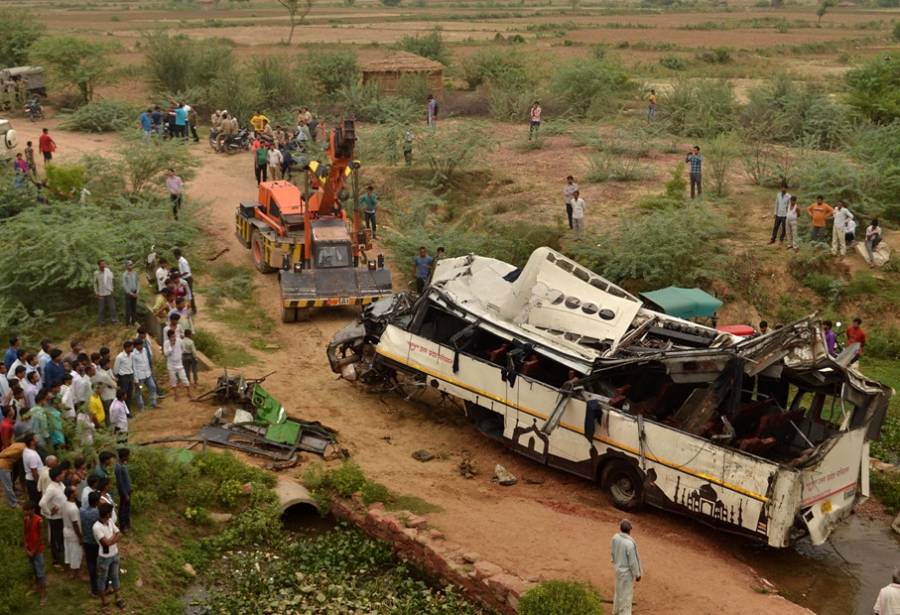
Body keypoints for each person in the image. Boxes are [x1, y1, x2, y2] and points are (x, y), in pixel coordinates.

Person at [94, 502, 124, 610]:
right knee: (102, 579)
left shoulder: (110, 521)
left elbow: (120, 534)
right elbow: (105, 543)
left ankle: (118, 598)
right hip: (104, 558)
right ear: (107, 514)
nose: (112, 514)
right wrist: (114, 537)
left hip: (114, 554)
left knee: (115, 577)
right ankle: (104, 603)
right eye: (111, 512)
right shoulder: (96, 527)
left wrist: (112, 539)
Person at [611, 519, 642, 615]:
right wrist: (637, 574)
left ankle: (615, 611)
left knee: (618, 592)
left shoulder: (615, 538)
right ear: (629, 530)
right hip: (627, 574)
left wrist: (615, 562)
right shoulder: (629, 544)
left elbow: (612, 552)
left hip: (618, 570)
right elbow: (633, 562)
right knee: (627, 596)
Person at [40, 464, 67, 568]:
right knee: (55, 539)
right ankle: (55, 560)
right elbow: (42, 503)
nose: (64, 474)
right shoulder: (51, 488)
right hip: (55, 518)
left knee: (60, 537)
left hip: (62, 516)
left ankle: (62, 555)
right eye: (62, 473)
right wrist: (48, 512)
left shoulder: (60, 484)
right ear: (57, 476)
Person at [23, 499, 48, 606]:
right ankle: (37, 588)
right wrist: (26, 547)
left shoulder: (39, 520)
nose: (25, 512)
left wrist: (33, 551)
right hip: (29, 549)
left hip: (37, 551)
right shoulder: (26, 519)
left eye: (27, 510)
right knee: (34, 570)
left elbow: (41, 538)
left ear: (33, 510)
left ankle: (43, 595)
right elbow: (25, 533)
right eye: (25, 510)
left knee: (40, 573)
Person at [81, 490, 102, 596]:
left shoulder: (82, 511)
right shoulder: (98, 513)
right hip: (97, 542)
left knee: (91, 564)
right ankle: (104, 586)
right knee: (101, 564)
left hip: (86, 541)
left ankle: (94, 589)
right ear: (97, 501)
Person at [62, 486, 83, 579]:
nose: (77, 492)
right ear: (71, 495)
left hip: (66, 530)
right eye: (75, 491)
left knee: (69, 551)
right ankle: (76, 573)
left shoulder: (65, 503)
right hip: (73, 532)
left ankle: (70, 571)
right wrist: (80, 537)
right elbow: (75, 524)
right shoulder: (73, 509)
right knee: (76, 552)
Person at [0, 429, 24, 507]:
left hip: (5, 465)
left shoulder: (17, 444)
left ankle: (13, 500)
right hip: (3, 466)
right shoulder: (21, 447)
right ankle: (13, 504)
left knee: (8, 485)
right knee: (8, 486)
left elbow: (11, 441)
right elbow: (6, 454)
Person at [164, 329, 191, 400]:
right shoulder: (166, 343)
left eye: (174, 336)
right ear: (169, 337)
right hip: (171, 365)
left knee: (184, 378)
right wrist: (171, 347)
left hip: (179, 364)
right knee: (173, 380)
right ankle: (176, 394)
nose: (174, 338)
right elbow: (166, 354)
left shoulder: (179, 340)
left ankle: (189, 392)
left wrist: (180, 354)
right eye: (172, 336)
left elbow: (183, 348)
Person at [131, 338, 157, 410]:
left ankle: (154, 403)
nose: (141, 346)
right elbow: (134, 367)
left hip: (148, 374)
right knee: (139, 391)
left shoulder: (145, 350)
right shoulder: (133, 355)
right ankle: (141, 407)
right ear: (136, 346)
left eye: (141, 344)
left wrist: (150, 371)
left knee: (152, 387)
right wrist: (136, 380)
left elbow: (147, 361)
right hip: (140, 377)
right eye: (140, 345)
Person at [94, 259, 117, 326]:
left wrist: (112, 289)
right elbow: (95, 283)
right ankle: (101, 323)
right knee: (101, 310)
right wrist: (96, 292)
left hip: (109, 292)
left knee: (112, 308)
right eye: (102, 264)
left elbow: (112, 280)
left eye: (104, 264)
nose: (104, 265)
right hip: (101, 294)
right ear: (99, 265)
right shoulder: (96, 273)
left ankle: (114, 321)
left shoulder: (108, 271)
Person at [173, 248, 196, 313]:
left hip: (187, 279)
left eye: (175, 256)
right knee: (184, 294)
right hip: (185, 278)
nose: (175, 258)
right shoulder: (180, 261)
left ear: (177, 255)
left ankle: (193, 309)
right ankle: (186, 308)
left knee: (189, 294)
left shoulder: (183, 261)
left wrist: (179, 275)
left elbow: (186, 272)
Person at [113, 341, 135, 407]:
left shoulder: (131, 355)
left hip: (130, 375)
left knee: (130, 393)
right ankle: (122, 408)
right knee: (123, 394)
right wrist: (119, 377)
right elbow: (116, 369)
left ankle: (128, 410)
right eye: (131, 347)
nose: (132, 348)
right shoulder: (120, 357)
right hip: (123, 377)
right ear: (127, 348)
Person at [115, 448, 132, 532]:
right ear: (124, 456)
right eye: (128, 455)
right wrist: (125, 494)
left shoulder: (123, 465)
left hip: (128, 491)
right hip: (124, 492)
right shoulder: (118, 467)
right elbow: (120, 483)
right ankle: (123, 526)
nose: (129, 457)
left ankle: (127, 523)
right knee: (123, 509)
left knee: (127, 508)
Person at [122, 260, 139, 326]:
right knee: (128, 309)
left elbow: (138, 282)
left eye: (131, 264)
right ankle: (127, 324)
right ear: (126, 266)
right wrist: (131, 294)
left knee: (134, 308)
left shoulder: (135, 273)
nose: (131, 266)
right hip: (128, 294)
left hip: (135, 292)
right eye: (129, 265)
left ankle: (133, 322)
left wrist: (137, 292)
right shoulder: (124, 275)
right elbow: (124, 285)